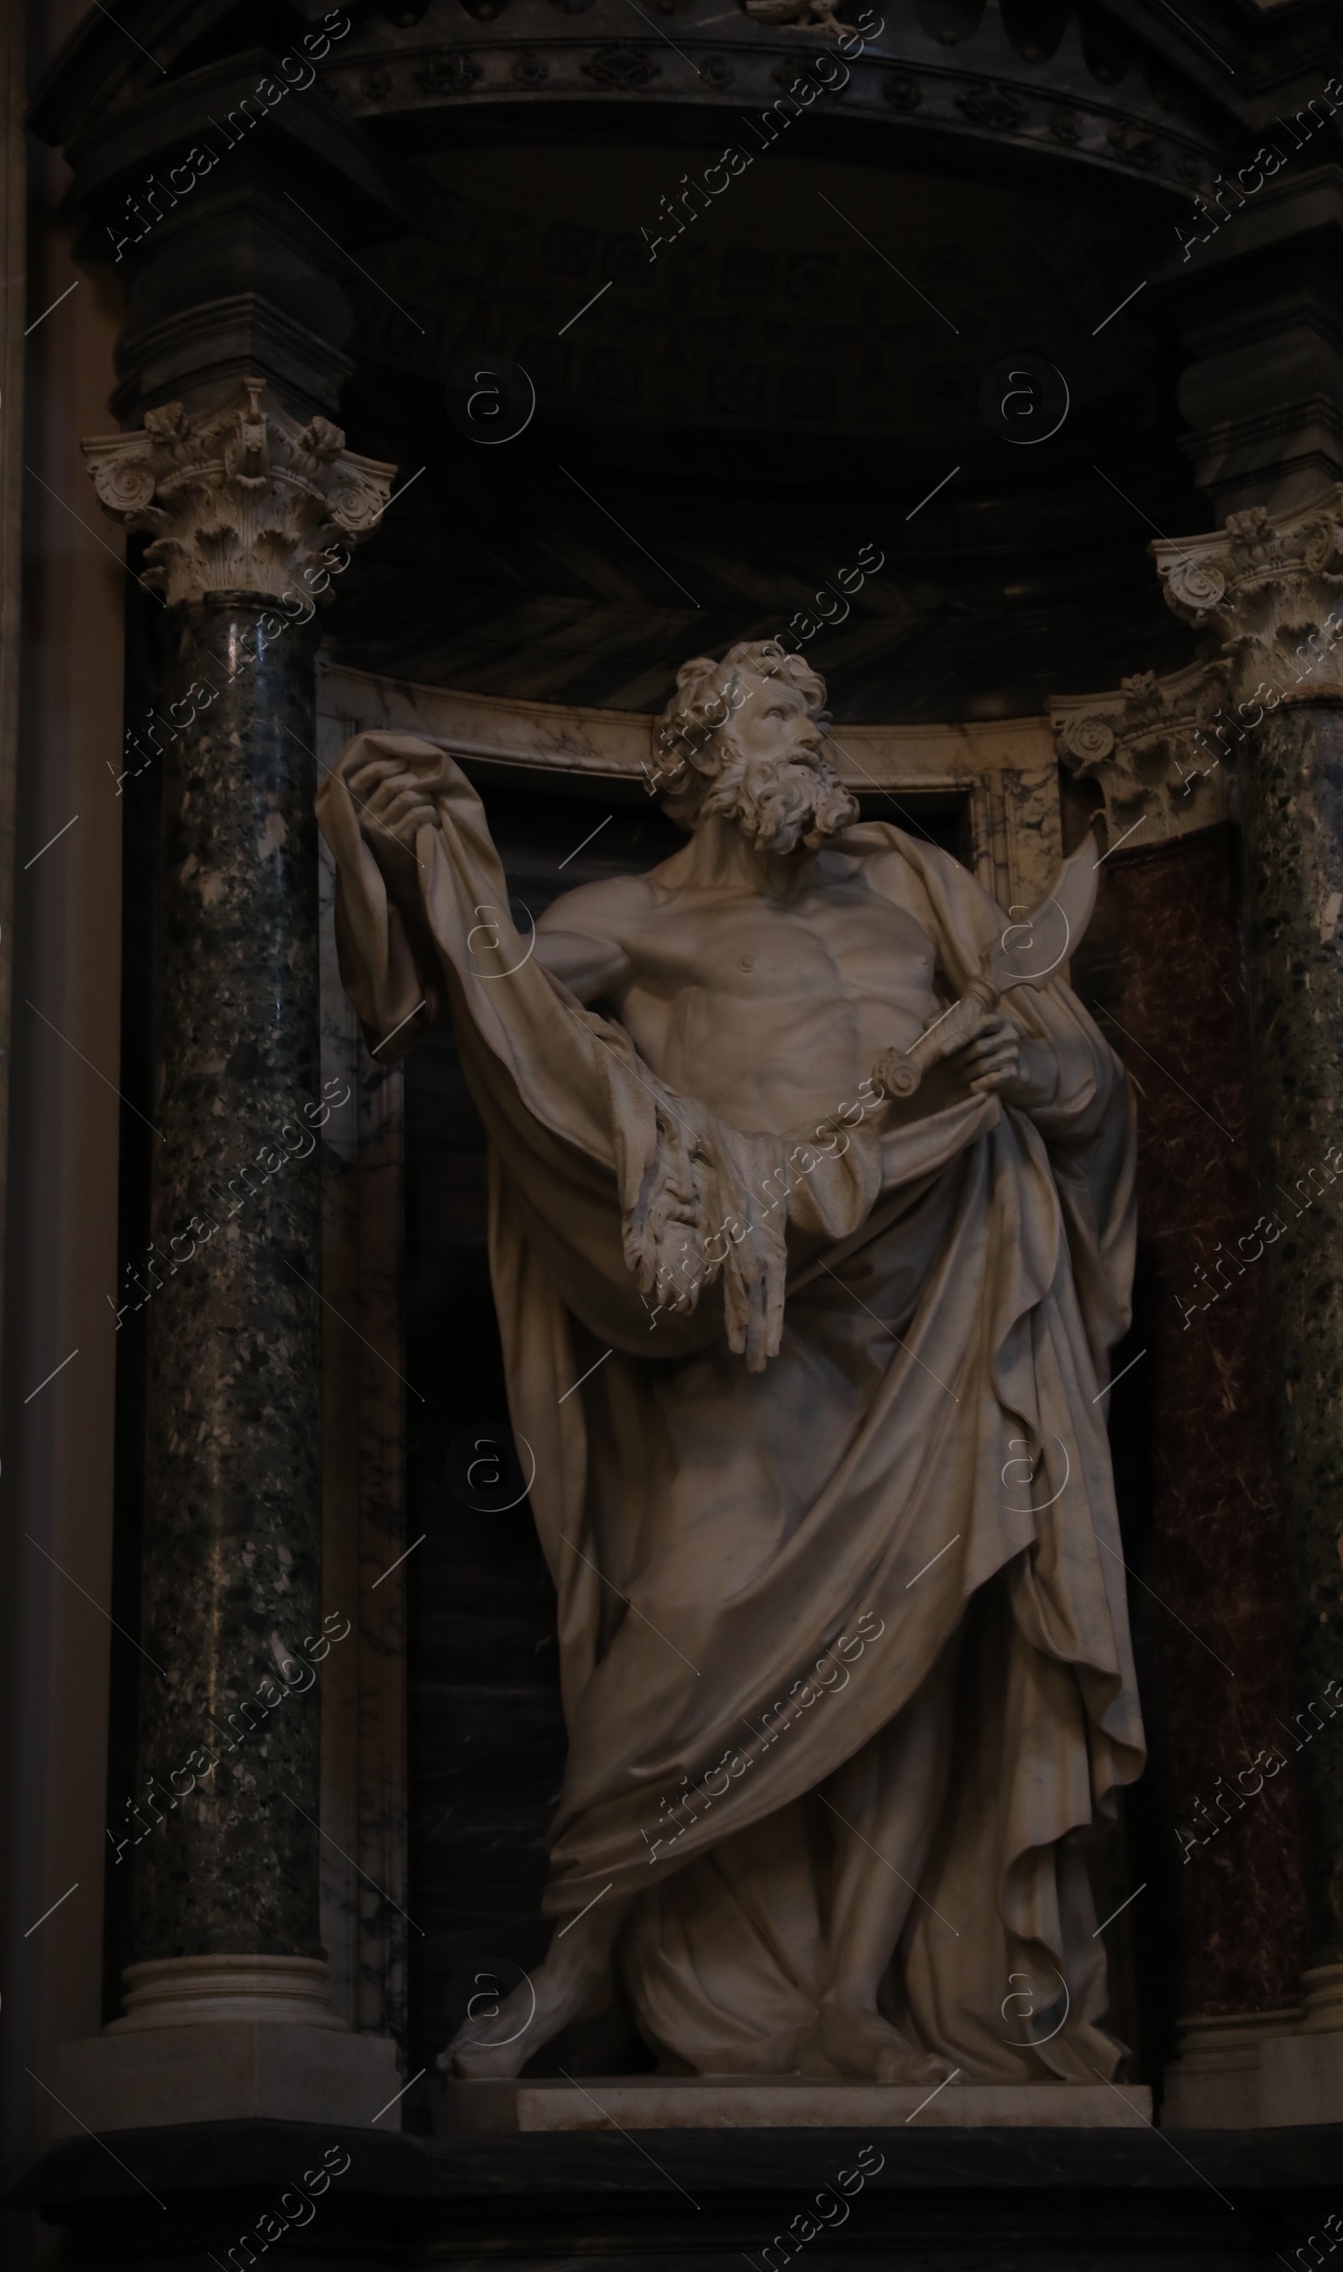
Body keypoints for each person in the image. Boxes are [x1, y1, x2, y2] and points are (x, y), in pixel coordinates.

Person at [316, 638, 1142, 2084]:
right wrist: (423, 852)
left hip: (944, 1283)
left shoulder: (917, 891)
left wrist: (1047, 1079)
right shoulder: (630, 920)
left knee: (913, 1637)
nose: (813, 734)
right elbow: (485, 1000)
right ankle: (581, 1953)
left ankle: (851, 1999)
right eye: (781, 713)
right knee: (692, 1619)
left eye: (821, 713)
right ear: (700, 755)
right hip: (756, 1316)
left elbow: (1079, 1079)